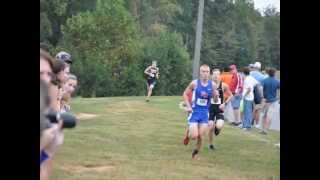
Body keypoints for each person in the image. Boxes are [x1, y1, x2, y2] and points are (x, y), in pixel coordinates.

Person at [182, 64, 217, 159]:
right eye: (203, 72)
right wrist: (188, 106)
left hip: (205, 113)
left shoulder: (213, 85)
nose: (205, 74)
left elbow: (215, 98)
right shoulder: (195, 83)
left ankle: (195, 154)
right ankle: (188, 133)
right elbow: (185, 94)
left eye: (207, 72)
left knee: (201, 136)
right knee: (194, 136)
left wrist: (216, 95)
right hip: (195, 112)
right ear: (200, 73)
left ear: (209, 73)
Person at [208, 69, 233, 150]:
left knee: (219, 125)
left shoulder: (223, 85)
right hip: (210, 108)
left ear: (220, 76)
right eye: (214, 75)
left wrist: (224, 104)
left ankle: (217, 129)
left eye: (217, 75)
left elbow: (231, 96)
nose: (216, 76)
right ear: (211, 76)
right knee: (210, 127)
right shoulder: (208, 85)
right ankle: (211, 145)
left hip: (219, 109)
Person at [260, 68, 280, 134]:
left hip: (266, 100)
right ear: (274, 73)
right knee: (269, 116)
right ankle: (266, 129)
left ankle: (262, 129)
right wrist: (277, 97)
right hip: (273, 100)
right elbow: (278, 91)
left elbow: (261, 88)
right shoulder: (277, 81)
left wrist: (262, 97)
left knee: (264, 115)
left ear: (268, 73)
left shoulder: (264, 80)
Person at [250, 62, 267, 128]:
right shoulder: (262, 76)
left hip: (250, 92)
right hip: (258, 93)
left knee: (251, 108)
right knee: (258, 109)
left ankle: (250, 122)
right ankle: (256, 124)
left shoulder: (250, 73)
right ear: (259, 68)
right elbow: (263, 85)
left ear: (254, 67)